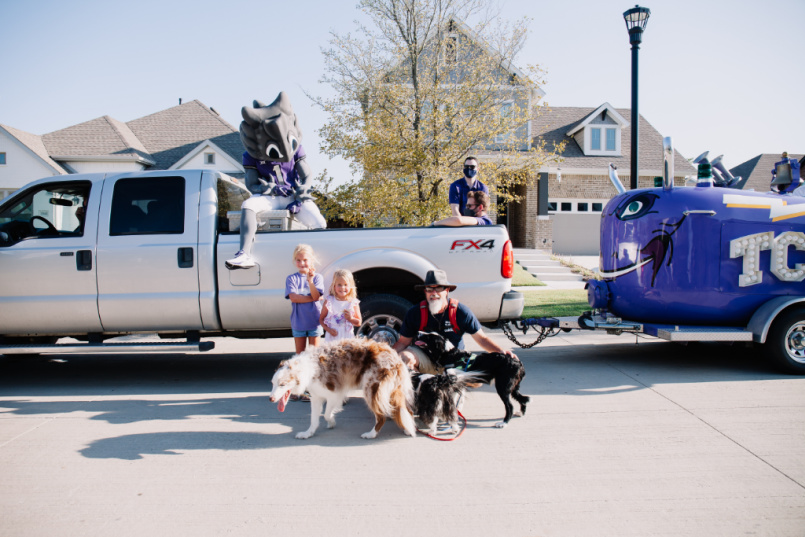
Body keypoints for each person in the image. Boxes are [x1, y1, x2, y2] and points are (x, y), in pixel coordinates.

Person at [392, 269, 517, 373]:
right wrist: (385, 358)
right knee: (404, 357)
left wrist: (501, 352)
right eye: (430, 289)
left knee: (479, 374)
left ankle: (457, 380)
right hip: (426, 359)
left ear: (446, 291)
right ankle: (418, 388)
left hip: (455, 359)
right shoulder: (415, 312)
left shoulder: (460, 312)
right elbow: (403, 342)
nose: (434, 293)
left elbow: (482, 339)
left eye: (438, 288)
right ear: (425, 292)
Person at [285, 244, 324, 354]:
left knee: (314, 357)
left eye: (305, 260)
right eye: (299, 260)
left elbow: (316, 296)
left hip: (315, 322)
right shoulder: (291, 278)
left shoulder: (317, 278)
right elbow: (293, 298)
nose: (302, 263)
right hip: (299, 323)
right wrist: (313, 298)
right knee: (300, 356)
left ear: (312, 260)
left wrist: (310, 281)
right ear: (295, 260)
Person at [319, 269, 362, 343]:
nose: (342, 288)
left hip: (347, 338)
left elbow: (359, 322)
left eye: (345, 285)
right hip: (332, 338)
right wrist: (329, 330)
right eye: (339, 285)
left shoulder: (352, 302)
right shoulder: (329, 301)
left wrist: (350, 318)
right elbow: (321, 319)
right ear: (334, 285)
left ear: (351, 286)